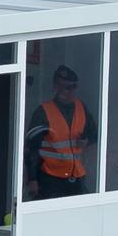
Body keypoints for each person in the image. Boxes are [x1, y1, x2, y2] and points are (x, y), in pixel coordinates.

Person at [24, 65, 96, 200]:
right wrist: (32, 179)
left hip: (76, 175)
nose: (71, 92)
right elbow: (32, 148)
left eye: (74, 87)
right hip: (50, 178)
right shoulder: (43, 112)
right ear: (56, 87)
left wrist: (86, 141)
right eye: (67, 88)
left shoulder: (81, 107)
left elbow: (94, 133)